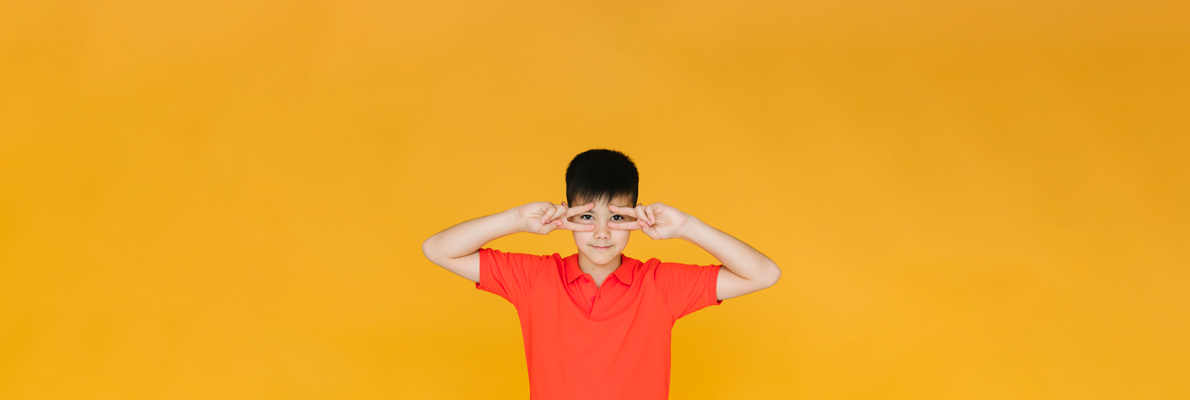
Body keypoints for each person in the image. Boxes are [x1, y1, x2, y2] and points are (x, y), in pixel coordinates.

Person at [421, 148, 781, 400]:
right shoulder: (534, 278)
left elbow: (763, 274)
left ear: (636, 217)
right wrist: (516, 219)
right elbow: (437, 249)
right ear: (567, 216)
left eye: (618, 217)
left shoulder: (659, 285)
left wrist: (687, 227)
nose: (602, 232)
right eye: (587, 217)